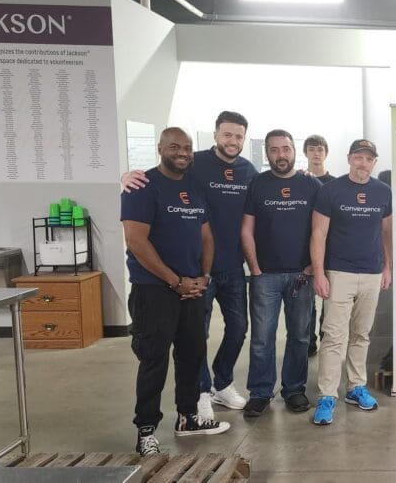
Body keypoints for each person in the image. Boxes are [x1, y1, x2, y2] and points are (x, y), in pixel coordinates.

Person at [122, 111, 257, 417]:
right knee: (197, 338)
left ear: (244, 138)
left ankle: (222, 384)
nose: (232, 141)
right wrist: (126, 175)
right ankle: (201, 392)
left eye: (238, 136)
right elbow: (161, 175)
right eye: (227, 134)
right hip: (193, 271)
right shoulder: (194, 162)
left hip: (232, 266)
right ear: (216, 135)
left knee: (238, 329)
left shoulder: (249, 171)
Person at [121, 127, 229, 456]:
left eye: (187, 147)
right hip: (155, 290)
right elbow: (136, 241)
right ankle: (146, 430)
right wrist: (174, 280)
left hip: (193, 288)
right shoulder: (141, 186)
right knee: (154, 360)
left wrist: (204, 276)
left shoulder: (194, 187)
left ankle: (188, 418)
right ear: (160, 148)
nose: (182, 152)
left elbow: (206, 235)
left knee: (191, 355)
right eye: (174, 147)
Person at [310, 139, 393, 426]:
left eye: (368, 159)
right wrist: (319, 274)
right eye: (358, 157)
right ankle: (326, 396)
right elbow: (318, 234)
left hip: (371, 273)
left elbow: (386, 232)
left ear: (374, 163)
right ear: (348, 159)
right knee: (334, 336)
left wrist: (387, 267)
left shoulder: (383, 192)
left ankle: (356, 387)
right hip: (339, 273)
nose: (363, 163)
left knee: (361, 334)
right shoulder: (331, 191)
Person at [241, 129, 322, 418]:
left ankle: (294, 390)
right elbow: (247, 229)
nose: (281, 155)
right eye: (274, 150)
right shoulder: (257, 184)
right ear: (267, 153)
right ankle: (260, 393)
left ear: (294, 151)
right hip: (266, 276)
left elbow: (321, 229)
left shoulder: (311, 186)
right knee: (262, 337)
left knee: (300, 336)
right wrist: (255, 267)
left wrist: (315, 265)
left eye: (285, 149)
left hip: (302, 274)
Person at [303, 134, 334, 357]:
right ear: (305, 152)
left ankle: (326, 341)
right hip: (303, 251)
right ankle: (307, 342)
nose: (317, 153)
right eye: (312, 149)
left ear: (326, 153)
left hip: (331, 250)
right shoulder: (299, 181)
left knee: (329, 300)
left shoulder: (335, 184)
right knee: (305, 303)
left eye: (320, 149)